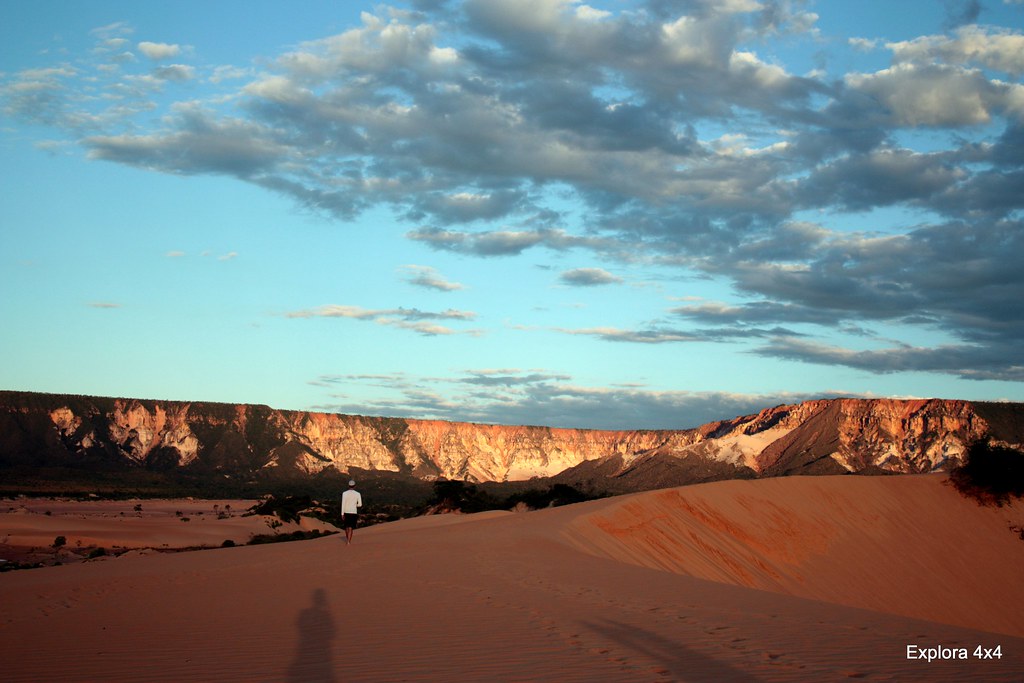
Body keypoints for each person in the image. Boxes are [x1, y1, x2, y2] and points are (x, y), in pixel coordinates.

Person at [340, 479, 362, 545]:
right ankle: (349, 541)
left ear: (348, 486)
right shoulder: (358, 494)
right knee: (351, 527)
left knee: (346, 527)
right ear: (354, 486)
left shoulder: (344, 493)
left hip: (346, 512)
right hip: (353, 512)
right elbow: (360, 504)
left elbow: (343, 504)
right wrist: (355, 505)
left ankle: (347, 539)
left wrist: (342, 514)